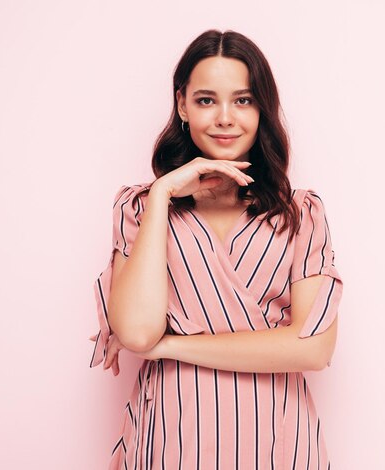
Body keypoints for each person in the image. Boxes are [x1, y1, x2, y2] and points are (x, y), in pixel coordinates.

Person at [88, 29, 344, 469]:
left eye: (242, 100)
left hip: (276, 434)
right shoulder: (140, 207)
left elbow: (313, 349)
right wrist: (163, 193)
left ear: (263, 108)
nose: (225, 117)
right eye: (207, 100)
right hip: (173, 431)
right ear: (183, 105)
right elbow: (135, 332)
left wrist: (168, 347)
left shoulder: (300, 213)